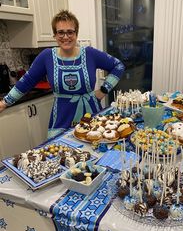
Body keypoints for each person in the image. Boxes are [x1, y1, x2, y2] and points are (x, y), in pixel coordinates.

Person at [0, 10, 125, 138]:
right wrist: (5, 102)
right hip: (61, 118)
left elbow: (118, 66)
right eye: (61, 32)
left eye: (70, 32)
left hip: (92, 116)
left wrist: (103, 90)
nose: (66, 37)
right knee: (61, 154)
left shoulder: (90, 54)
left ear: (76, 33)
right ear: (54, 34)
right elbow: (26, 81)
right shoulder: (46, 56)